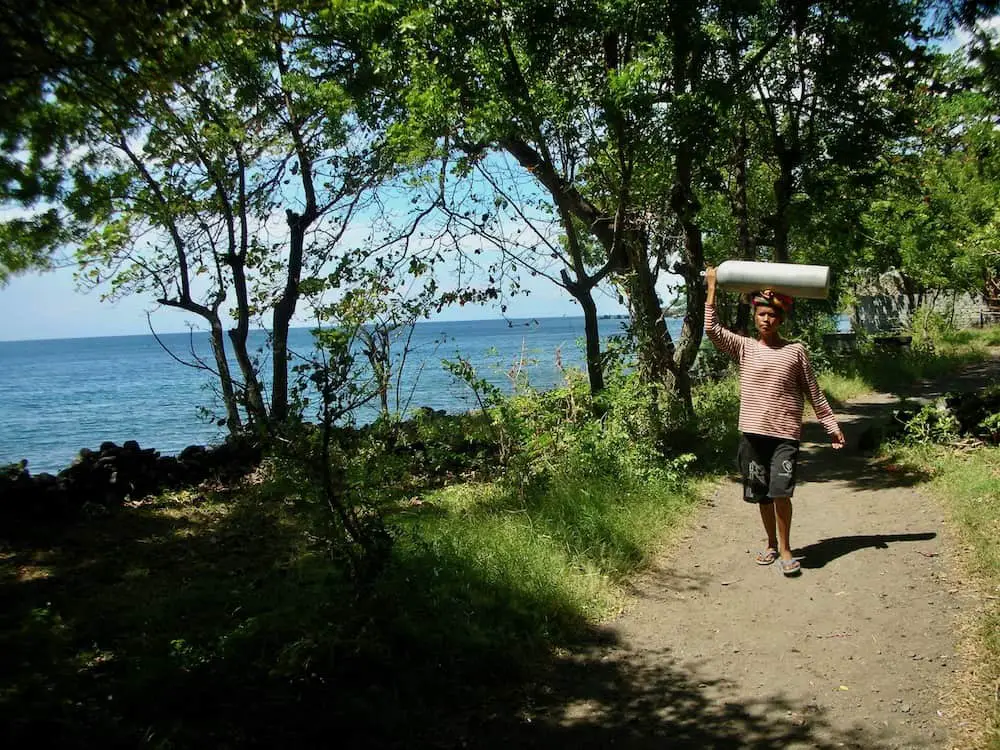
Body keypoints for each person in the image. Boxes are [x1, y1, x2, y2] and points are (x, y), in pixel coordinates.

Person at [704, 266, 845, 576]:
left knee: (781, 492)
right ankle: (770, 543)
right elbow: (712, 329)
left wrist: (831, 425)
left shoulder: (795, 352)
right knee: (761, 495)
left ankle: (785, 548)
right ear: (755, 317)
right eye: (762, 314)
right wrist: (712, 288)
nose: (766, 319)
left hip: (784, 435)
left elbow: (814, 392)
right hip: (752, 435)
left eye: (772, 315)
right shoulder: (744, 347)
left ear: (781, 320)